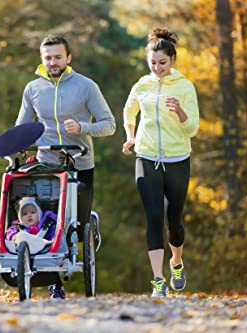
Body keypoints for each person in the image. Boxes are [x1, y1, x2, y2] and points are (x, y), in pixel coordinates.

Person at [15, 34, 116, 298]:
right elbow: (22, 126)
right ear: (41, 59)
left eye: (58, 57)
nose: (53, 62)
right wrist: (17, 146)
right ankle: (55, 284)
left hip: (79, 162)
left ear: (68, 58)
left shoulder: (86, 86)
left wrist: (83, 127)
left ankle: (89, 220)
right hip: (46, 164)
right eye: (47, 57)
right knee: (47, 223)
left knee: (77, 226)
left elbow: (109, 125)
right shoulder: (33, 89)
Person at [121, 27, 200, 297]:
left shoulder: (185, 87)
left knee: (173, 220)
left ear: (173, 60)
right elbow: (129, 110)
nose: (157, 68)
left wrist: (179, 111)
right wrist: (130, 136)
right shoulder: (141, 85)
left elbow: (193, 130)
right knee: (154, 216)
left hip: (178, 159)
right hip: (147, 156)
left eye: (162, 63)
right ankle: (158, 280)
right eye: (152, 63)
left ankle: (176, 262)